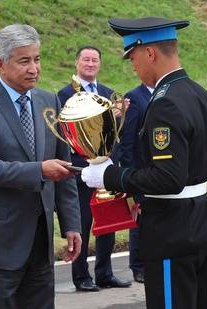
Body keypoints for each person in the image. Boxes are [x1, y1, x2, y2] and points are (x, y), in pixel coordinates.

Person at [81, 17, 207, 309]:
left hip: (171, 231)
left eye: (132, 57)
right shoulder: (199, 94)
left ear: (150, 53)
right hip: (200, 221)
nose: (133, 66)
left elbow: (167, 178)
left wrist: (110, 176)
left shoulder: (165, 103)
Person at [0, 24, 82, 309]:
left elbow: (63, 167)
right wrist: (40, 170)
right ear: (0, 64)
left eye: (37, 59)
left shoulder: (48, 101)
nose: (34, 69)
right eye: (24, 60)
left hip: (40, 245)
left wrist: (71, 225)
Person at [57, 46, 131, 292]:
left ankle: (105, 273)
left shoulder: (109, 95)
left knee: (107, 226)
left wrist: (120, 116)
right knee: (81, 227)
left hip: (106, 173)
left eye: (94, 60)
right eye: (86, 59)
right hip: (79, 173)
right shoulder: (63, 95)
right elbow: (63, 136)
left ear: (99, 64)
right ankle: (81, 277)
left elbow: (114, 136)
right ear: (77, 63)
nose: (90, 63)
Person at [118, 83, 154, 283]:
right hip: (138, 171)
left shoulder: (164, 92)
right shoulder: (134, 97)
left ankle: (151, 261)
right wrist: (130, 174)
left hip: (159, 170)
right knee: (139, 218)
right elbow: (127, 141)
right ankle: (138, 266)